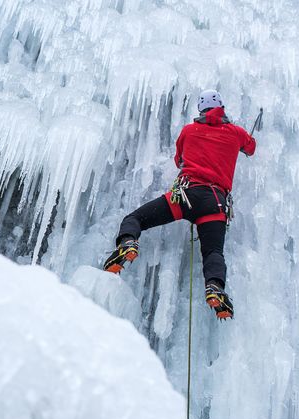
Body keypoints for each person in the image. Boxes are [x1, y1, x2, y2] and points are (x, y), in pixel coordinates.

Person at [102, 90, 256, 320]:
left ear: (200, 110)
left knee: (135, 219)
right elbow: (251, 147)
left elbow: (179, 160)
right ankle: (215, 287)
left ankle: (128, 242)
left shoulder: (189, 130)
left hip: (185, 197)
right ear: (222, 107)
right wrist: (237, 144)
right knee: (213, 252)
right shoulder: (235, 133)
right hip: (215, 204)